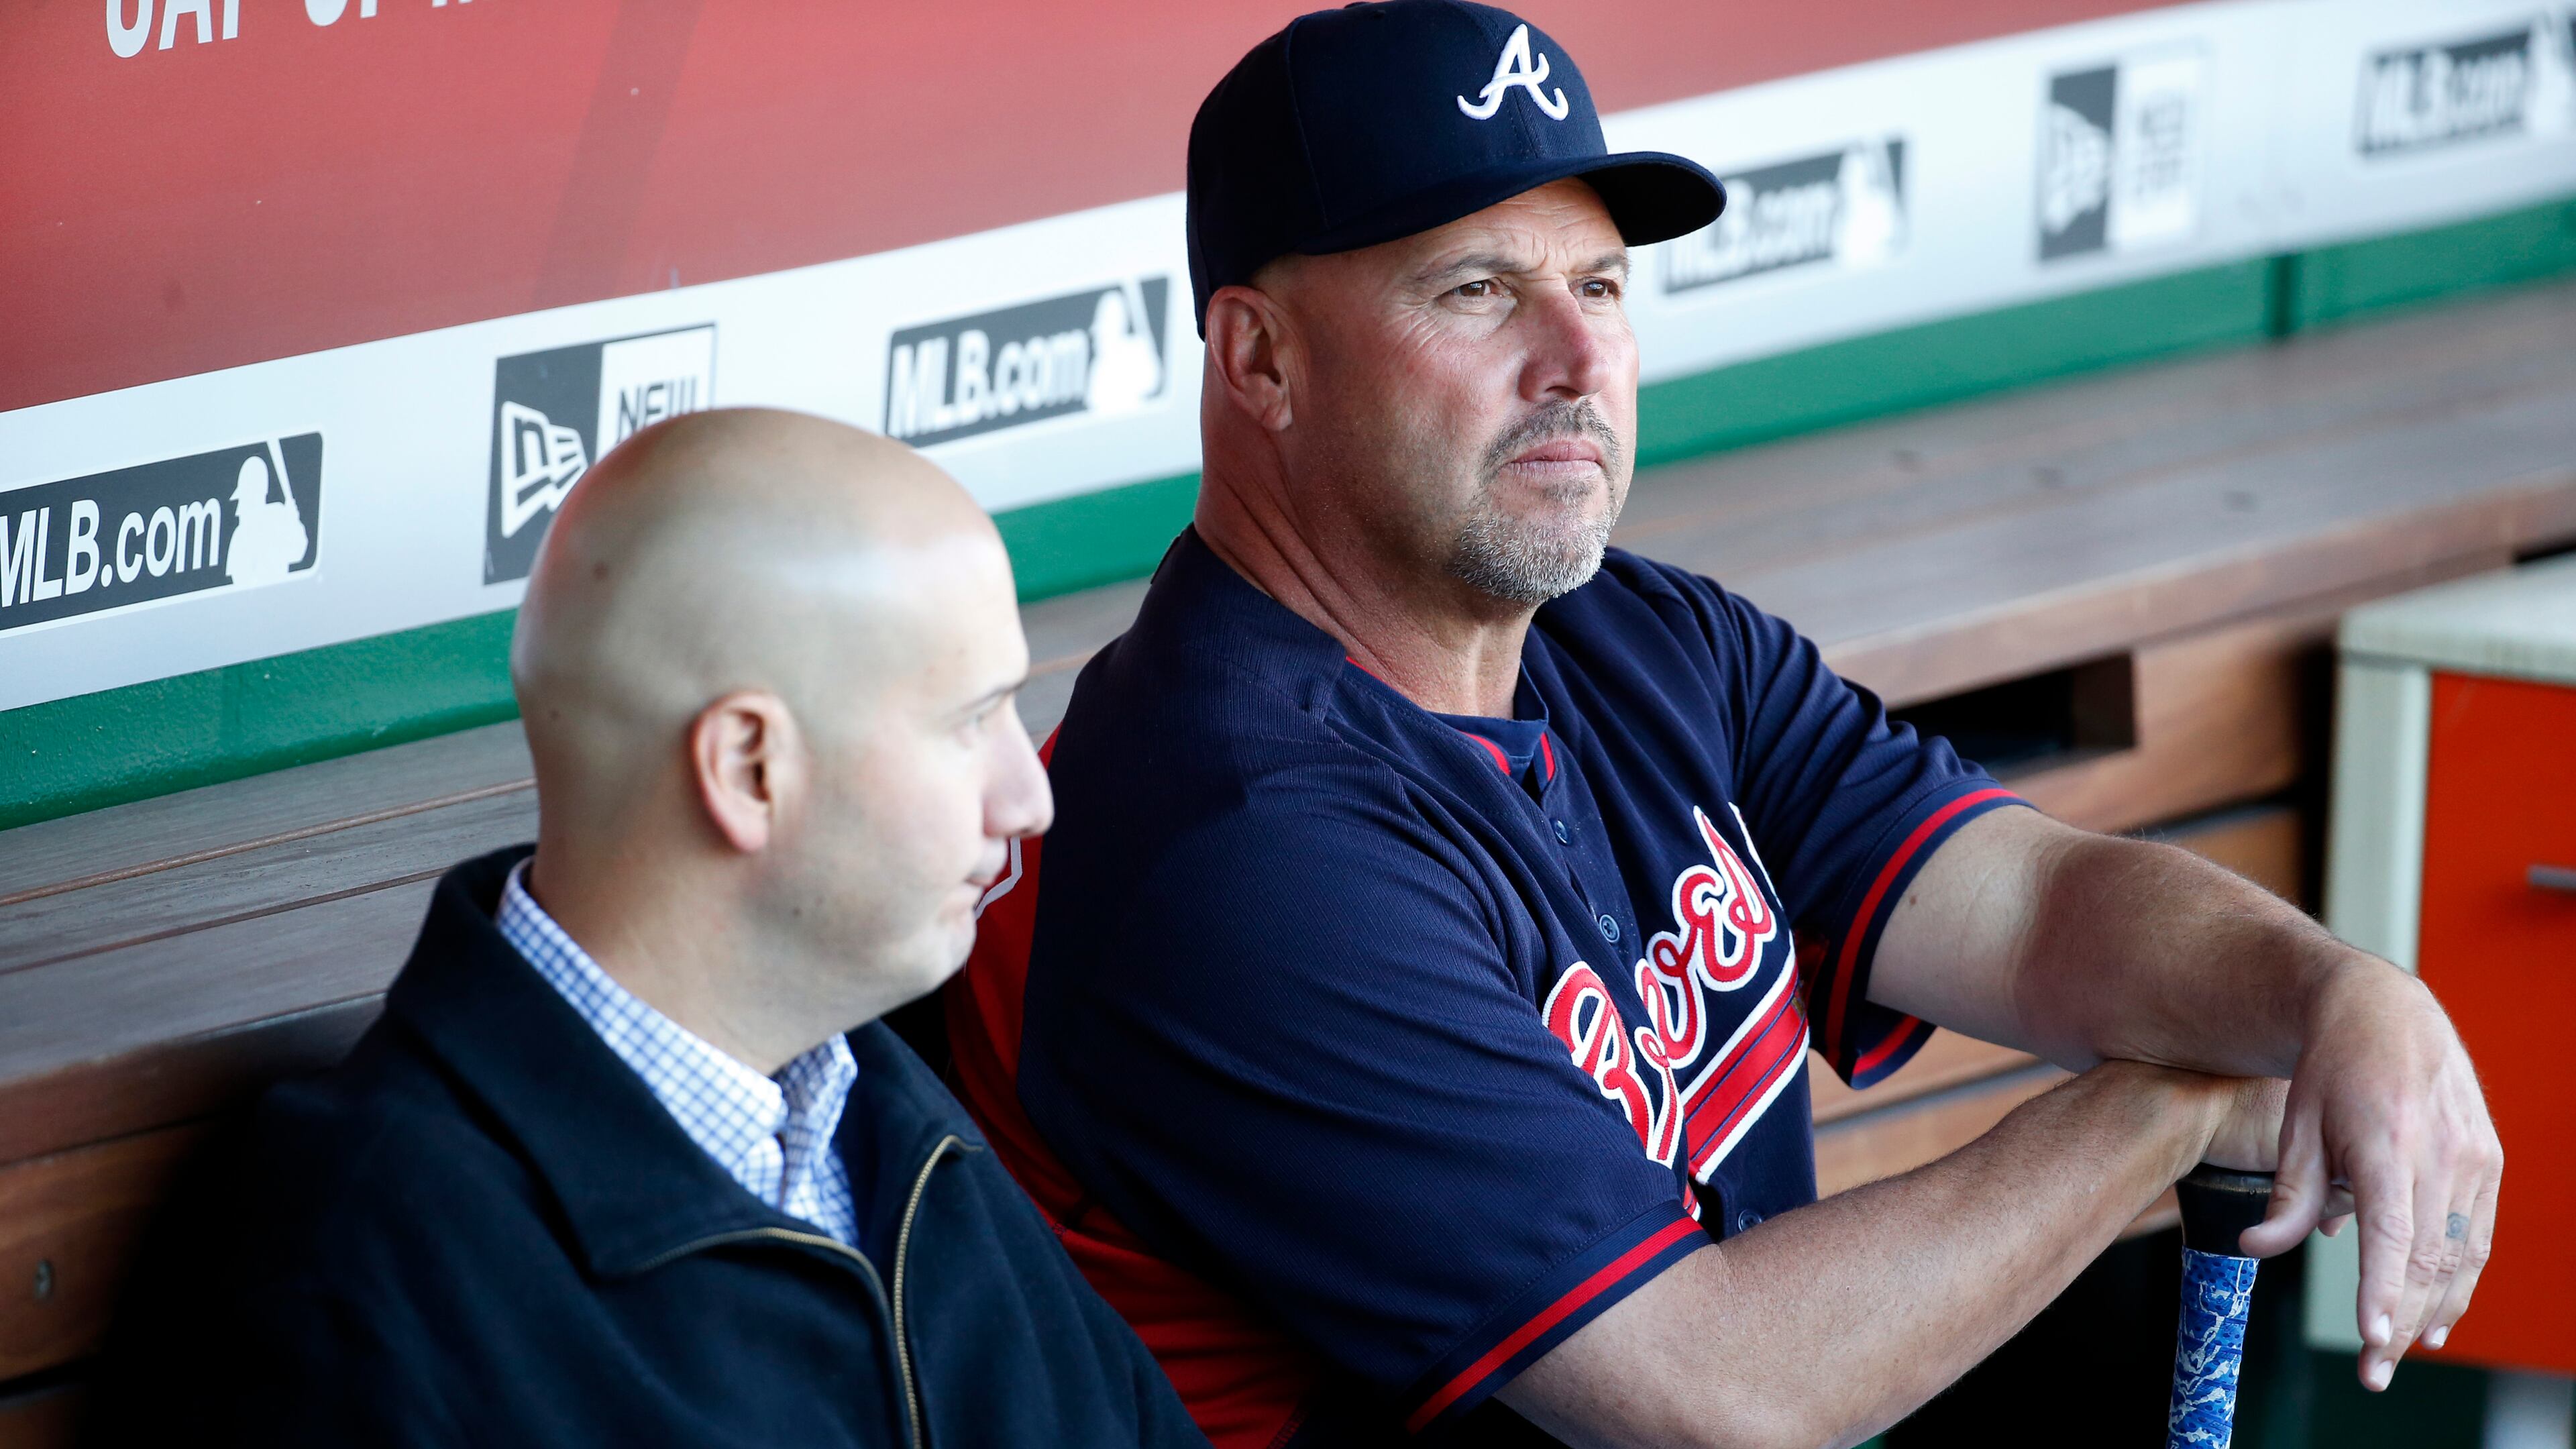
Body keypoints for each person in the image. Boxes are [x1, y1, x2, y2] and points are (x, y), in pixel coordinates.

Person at [941, 5, 2504, 1446]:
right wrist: (2159, 1111)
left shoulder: (1638, 637)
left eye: (1603, 285)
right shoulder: (1231, 837)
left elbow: (2030, 910)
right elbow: (1711, 1396)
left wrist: (2339, 994)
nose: (1577, 361)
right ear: (1259, 359)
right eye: (1479, 289)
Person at [91, 409, 1210, 1449]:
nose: (1029, 798)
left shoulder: (900, 1143)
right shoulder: (362, 1279)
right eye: (972, 721)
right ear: (747, 769)